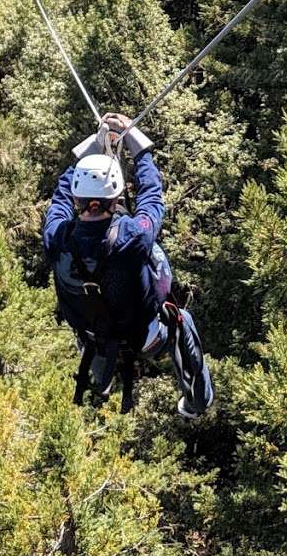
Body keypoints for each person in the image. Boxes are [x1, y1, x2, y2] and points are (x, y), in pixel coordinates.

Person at [42, 112, 214, 418]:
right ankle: (198, 399)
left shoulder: (57, 236)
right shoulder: (133, 236)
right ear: (116, 196)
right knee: (181, 318)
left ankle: (102, 378)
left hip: (94, 337)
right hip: (146, 337)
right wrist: (139, 147)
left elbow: (59, 197)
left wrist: (94, 147)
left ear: (77, 199)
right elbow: (151, 196)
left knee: (95, 317)